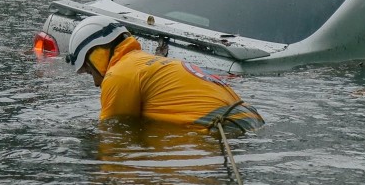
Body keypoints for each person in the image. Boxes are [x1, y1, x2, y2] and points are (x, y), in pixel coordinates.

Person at [66, 15, 264, 132]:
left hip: (224, 129)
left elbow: (113, 139)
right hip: (250, 118)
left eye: (89, 70)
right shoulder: (146, 63)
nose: (95, 83)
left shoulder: (118, 75)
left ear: (96, 53)